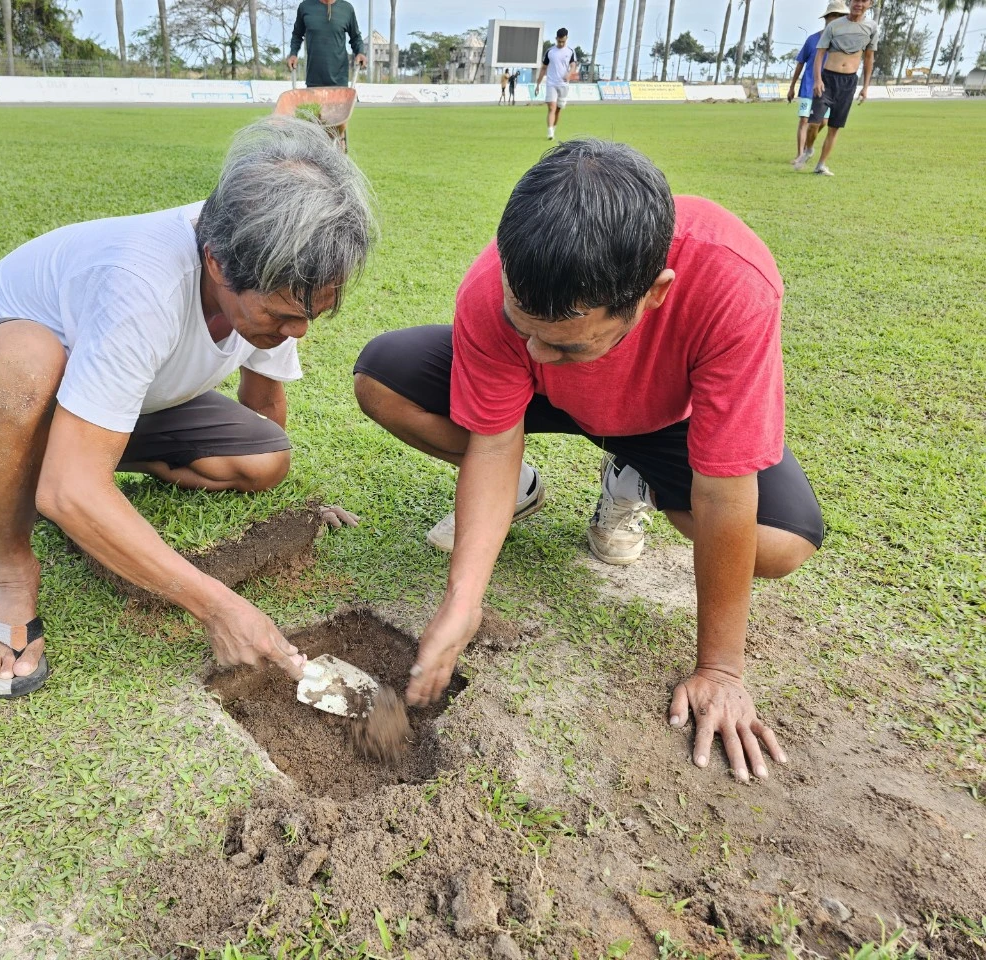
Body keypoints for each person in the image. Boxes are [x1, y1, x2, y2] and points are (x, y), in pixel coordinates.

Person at [354, 139, 824, 785]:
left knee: (777, 547)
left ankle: (635, 478)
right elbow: (492, 439)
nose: (537, 352)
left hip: (669, 421)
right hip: (552, 407)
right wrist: (464, 601)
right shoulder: (496, 288)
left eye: (567, 343)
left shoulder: (732, 280)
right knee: (386, 375)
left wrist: (720, 669)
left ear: (654, 294)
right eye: (525, 330)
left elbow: (723, 489)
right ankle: (520, 492)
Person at [0, 118, 377, 699]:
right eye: (282, 316)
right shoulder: (143, 282)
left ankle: (77, 472)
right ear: (217, 265)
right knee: (27, 360)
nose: (297, 330)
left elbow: (264, 406)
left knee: (262, 459)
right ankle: (10, 574)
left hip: (106, 400)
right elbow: (54, 461)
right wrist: (217, 607)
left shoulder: (278, 264)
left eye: (312, 313)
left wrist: (292, 511)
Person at [808, 0, 876, 176]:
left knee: (834, 127)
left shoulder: (871, 28)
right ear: (850, 2)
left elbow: (869, 58)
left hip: (849, 82)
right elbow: (820, 53)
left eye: (863, 1)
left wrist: (865, 86)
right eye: (855, 0)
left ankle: (821, 165)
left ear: (870, 4)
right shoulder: (835, 26)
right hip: (828, 78)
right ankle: (808, 149)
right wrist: (817, 79)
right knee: (814, 123)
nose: (859, 4)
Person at [788, 0, 846, 168]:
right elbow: (800, 62)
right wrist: (792, 87)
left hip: (829, 88)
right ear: (827, 18)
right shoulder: (812, 39)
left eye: (841, 16)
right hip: (809, 86)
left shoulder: (841, 42)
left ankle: (808, 147)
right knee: (805, 121)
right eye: (835, 15)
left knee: (823, 123)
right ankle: (800, 154)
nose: (837, 19)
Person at [286, 0, 367, 89]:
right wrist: (293, 54)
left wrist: (360, 52)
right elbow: (297, 35)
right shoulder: (305, 7)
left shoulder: (347, 9)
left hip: (339, 82)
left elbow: (355, 38)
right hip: (314, 81)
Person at [535, 29, 579, 140]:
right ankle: (550, 132)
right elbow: (543, 68)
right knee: (551, 107)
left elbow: (573, 65)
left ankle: (553, 128)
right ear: (556, 39)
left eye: (563, 41)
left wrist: (569, 74)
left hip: (563, 84)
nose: (561, 44)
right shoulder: (550, 51)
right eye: (559, 41)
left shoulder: (570, 51)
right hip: (551, 83)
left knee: (558, 109)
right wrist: (538, 84)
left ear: (566, 39)